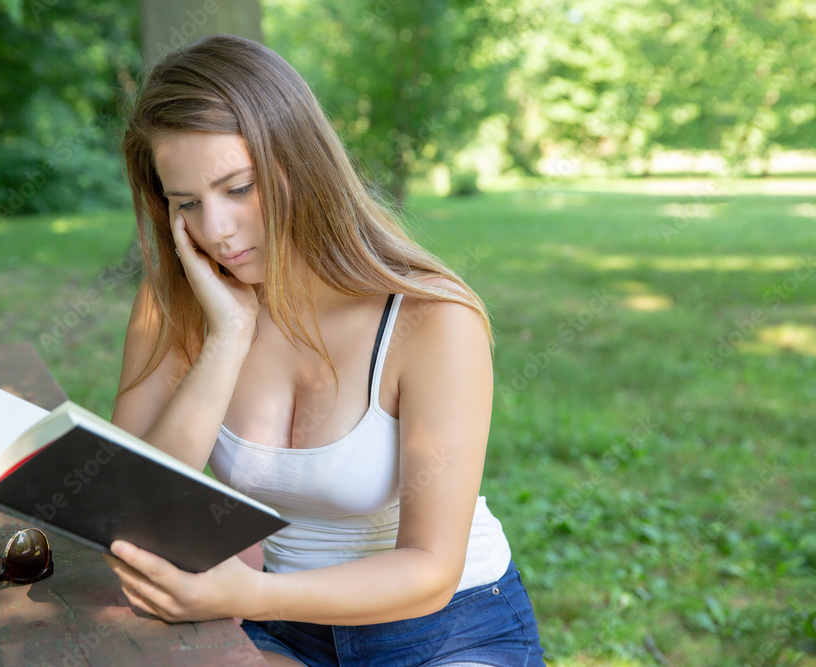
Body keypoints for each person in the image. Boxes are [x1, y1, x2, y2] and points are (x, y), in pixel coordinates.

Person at [103, 33, 545, 667]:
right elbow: (134, 504)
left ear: (300, 163)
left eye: (238, 188)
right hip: (282, 630)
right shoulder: (178, 300)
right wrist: (226, 339)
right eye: (187, 204)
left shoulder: (431, 319)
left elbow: (431, 569)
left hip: (447, 629)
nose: (216, 230)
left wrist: (251, 592)